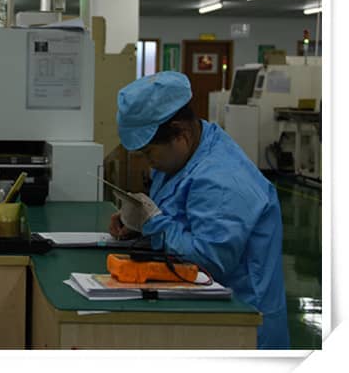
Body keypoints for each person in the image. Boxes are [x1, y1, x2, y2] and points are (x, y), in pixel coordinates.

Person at [109, 71, 290, 350]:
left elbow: (210, 260)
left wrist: (153, 224)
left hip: (241, 327)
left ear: (181, 133)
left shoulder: (222, 180)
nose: (148, 163)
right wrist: (137, 224)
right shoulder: (183, 155)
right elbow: (178, 216)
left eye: (149, 153)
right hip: (201, 310)